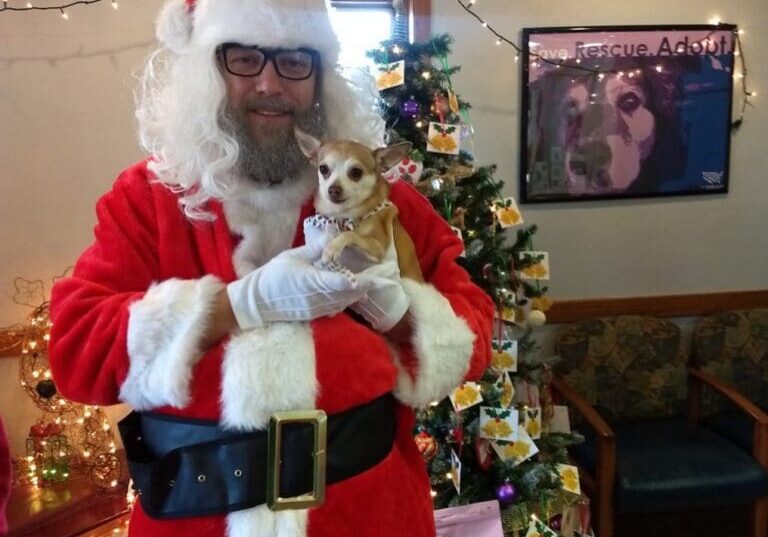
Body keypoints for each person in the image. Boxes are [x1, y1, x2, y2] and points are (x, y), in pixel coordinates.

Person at [48, 0, 494, 536]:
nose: (270, 84)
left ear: (320, 77)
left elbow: (474, 329)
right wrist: (238, 305)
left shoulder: (378, 199)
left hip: (370, 514)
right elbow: (74, 349)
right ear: (209, 70)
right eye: (243, 57)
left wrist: (398, 312)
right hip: (197, 513)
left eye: (294, 62)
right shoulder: (148, 199)